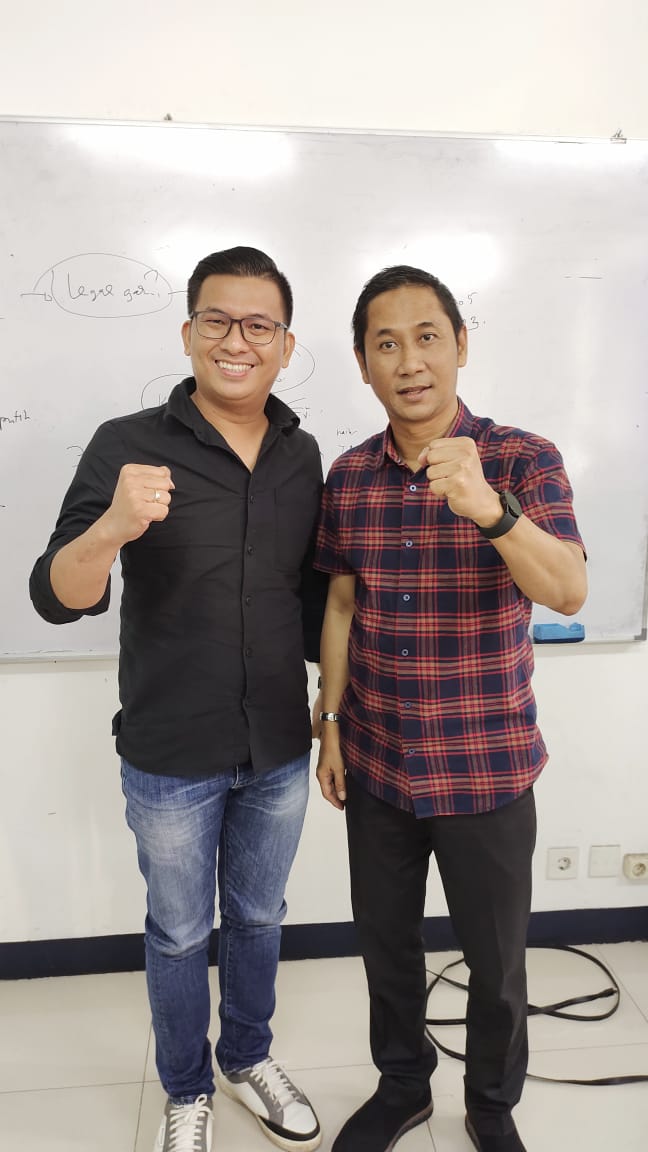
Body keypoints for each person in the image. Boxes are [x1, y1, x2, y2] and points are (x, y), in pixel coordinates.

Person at [30, 246, 326, 1152]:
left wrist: (345, 708)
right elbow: (56, 596)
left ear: (285, 344)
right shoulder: (125, 446)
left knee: (261, 918)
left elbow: (311, 602)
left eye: (259, 325)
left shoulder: (301, 453)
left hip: (278, 746)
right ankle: (187, 1087)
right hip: (169, 752)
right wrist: (114, 527)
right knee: (178, 932)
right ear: (188, 332)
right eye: (218, 321)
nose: (238, 341)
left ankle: (247, 1057)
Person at [314, 265, 587, 1152]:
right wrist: (329, 723)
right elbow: (342, 605)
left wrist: (489, 511)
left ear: (461, 345)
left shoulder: (522, 459)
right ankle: (403, 1088)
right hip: (379, 761)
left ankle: (491, 1103)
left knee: (496, 962)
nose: (409, 362)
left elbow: (569, 589)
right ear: (364, 364)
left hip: (487, 766)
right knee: (387, 949)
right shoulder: (350, 477)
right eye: (386, 344)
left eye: (427, 337)